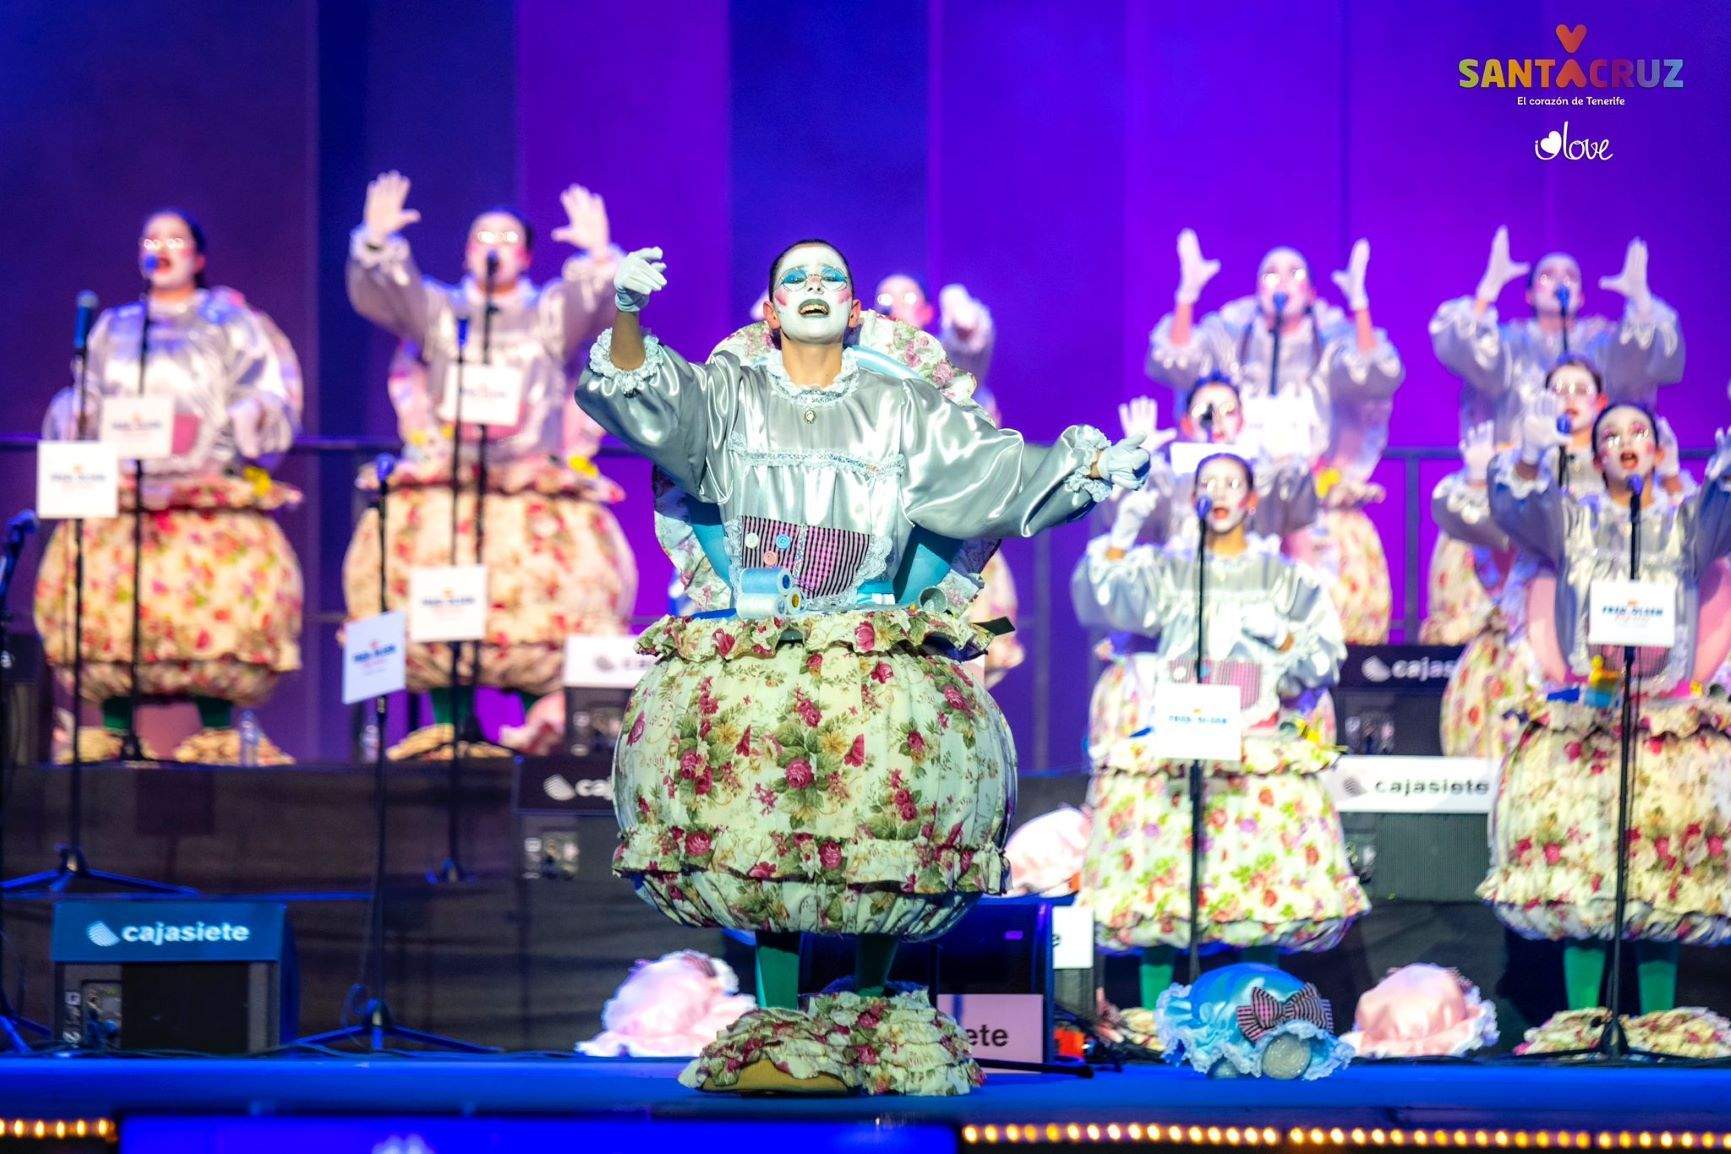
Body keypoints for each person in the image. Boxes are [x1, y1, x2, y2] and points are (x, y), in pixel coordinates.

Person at [577, 239, 1149, 1094]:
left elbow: (988, 472)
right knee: (756, 826)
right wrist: (626, 315)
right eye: (794, 279)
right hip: (756, 650)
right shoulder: (731, 393)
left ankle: (873, 1006)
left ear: (855, 310)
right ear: (768, 311)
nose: (814, 287)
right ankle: (774, 1022)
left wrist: (1092, 468)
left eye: (831, 278)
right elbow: (647, 404)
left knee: (883, 816)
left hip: (872, 646)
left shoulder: (901, 404)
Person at [342, 171, 636, 758]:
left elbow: (597, 307)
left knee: (542, 601)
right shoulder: (439, 311)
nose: (492, 247)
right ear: (467, 251)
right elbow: (389, 295)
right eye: (481, 237)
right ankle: (454, 724)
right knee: (434, 587)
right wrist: (375, 244)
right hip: (449, 484)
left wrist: (600, 256)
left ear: (526, 253)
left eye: (505, 237)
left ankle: (545, 728)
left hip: (529, 485)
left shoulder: (547, 314)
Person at [1073, 451, 1364, 1012]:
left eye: (1233, 483)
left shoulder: (1286, 578)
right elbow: (1102, 601)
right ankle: (1158, 1023)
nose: (1221, 492)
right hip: (1181, 738)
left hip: (1252, 738)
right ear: (1194, 497)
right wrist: (1123, 533)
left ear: (1252, 500)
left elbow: (1325, 657)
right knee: (1161, 885)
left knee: (1260, 889)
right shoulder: (1169, 569)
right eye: (1209, 482)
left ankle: (1262, 1014)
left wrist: (1280, 639)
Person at [1483, 396, 1730, 1032]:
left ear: (1658, 448)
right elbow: (1513, 505)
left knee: (1660, 884)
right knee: (1587, 881)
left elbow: (1722, 515)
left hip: (1662, 727)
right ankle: (1584, 1024)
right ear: (1596, 457)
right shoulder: (1576, 522)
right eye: (1611, 434)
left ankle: (1660, 1027)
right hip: (1590, 721)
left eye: (1639, 432)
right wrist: (1535, 453)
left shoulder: (1682, 524)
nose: (1626, 441)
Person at [34, 209, 304, 763]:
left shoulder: (228, 322)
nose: (162, 248)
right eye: (152, 239)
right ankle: (113, 727)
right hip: (129, 494)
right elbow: (87, 393)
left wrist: (227, 426)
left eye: (175, 240)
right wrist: (77, 413)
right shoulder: (116, 326)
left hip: (200, 492)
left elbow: (265, 390)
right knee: (114, 611)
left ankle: (216, 728)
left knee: (208, 613)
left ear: (198, 258)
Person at [1425, 229, 1684, 643]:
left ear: (1581, 296)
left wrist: (1640, 302)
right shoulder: (1509, 344)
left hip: (1594, 498)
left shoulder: (1603, 343)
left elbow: (1651, 362)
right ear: (1528, 294)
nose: (1559, 282)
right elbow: (1465, 351)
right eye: (1547, 276)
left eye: (1570, 277)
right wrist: (1488, 288)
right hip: (1513, 503)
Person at [1146, 230, 1403, 642]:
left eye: (1294, 273)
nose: (1281, 282)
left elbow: (1375, 376)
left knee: (1322, 610)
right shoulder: (1231, 332)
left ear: (1313, 291)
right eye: (1269, 273)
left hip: (1314, 503)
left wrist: (1359, 305)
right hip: (1242, 504)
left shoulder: (1331, 336)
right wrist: (1187, 294)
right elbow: (1175, 364)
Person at [1087, 384, 1324, 763]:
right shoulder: (1168, 478)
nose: (1217, 421)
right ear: (1185, 422)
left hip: (1251, 663)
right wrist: (1134, 467)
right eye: (1205, 411)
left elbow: (1300, 550)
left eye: (1228, 410)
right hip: (1171, 653)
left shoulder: (1267, 479)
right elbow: (1122, 550)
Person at [873, 273, 1023, 686]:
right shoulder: (865, 372)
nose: (895, 304)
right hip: (893, 532)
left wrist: (963, 316)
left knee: (982, 641)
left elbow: (969, 340)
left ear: (925, 312)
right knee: (898, 657)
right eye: (886, 296)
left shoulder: (946, 369)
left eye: (908, 296)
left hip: (959, 526)